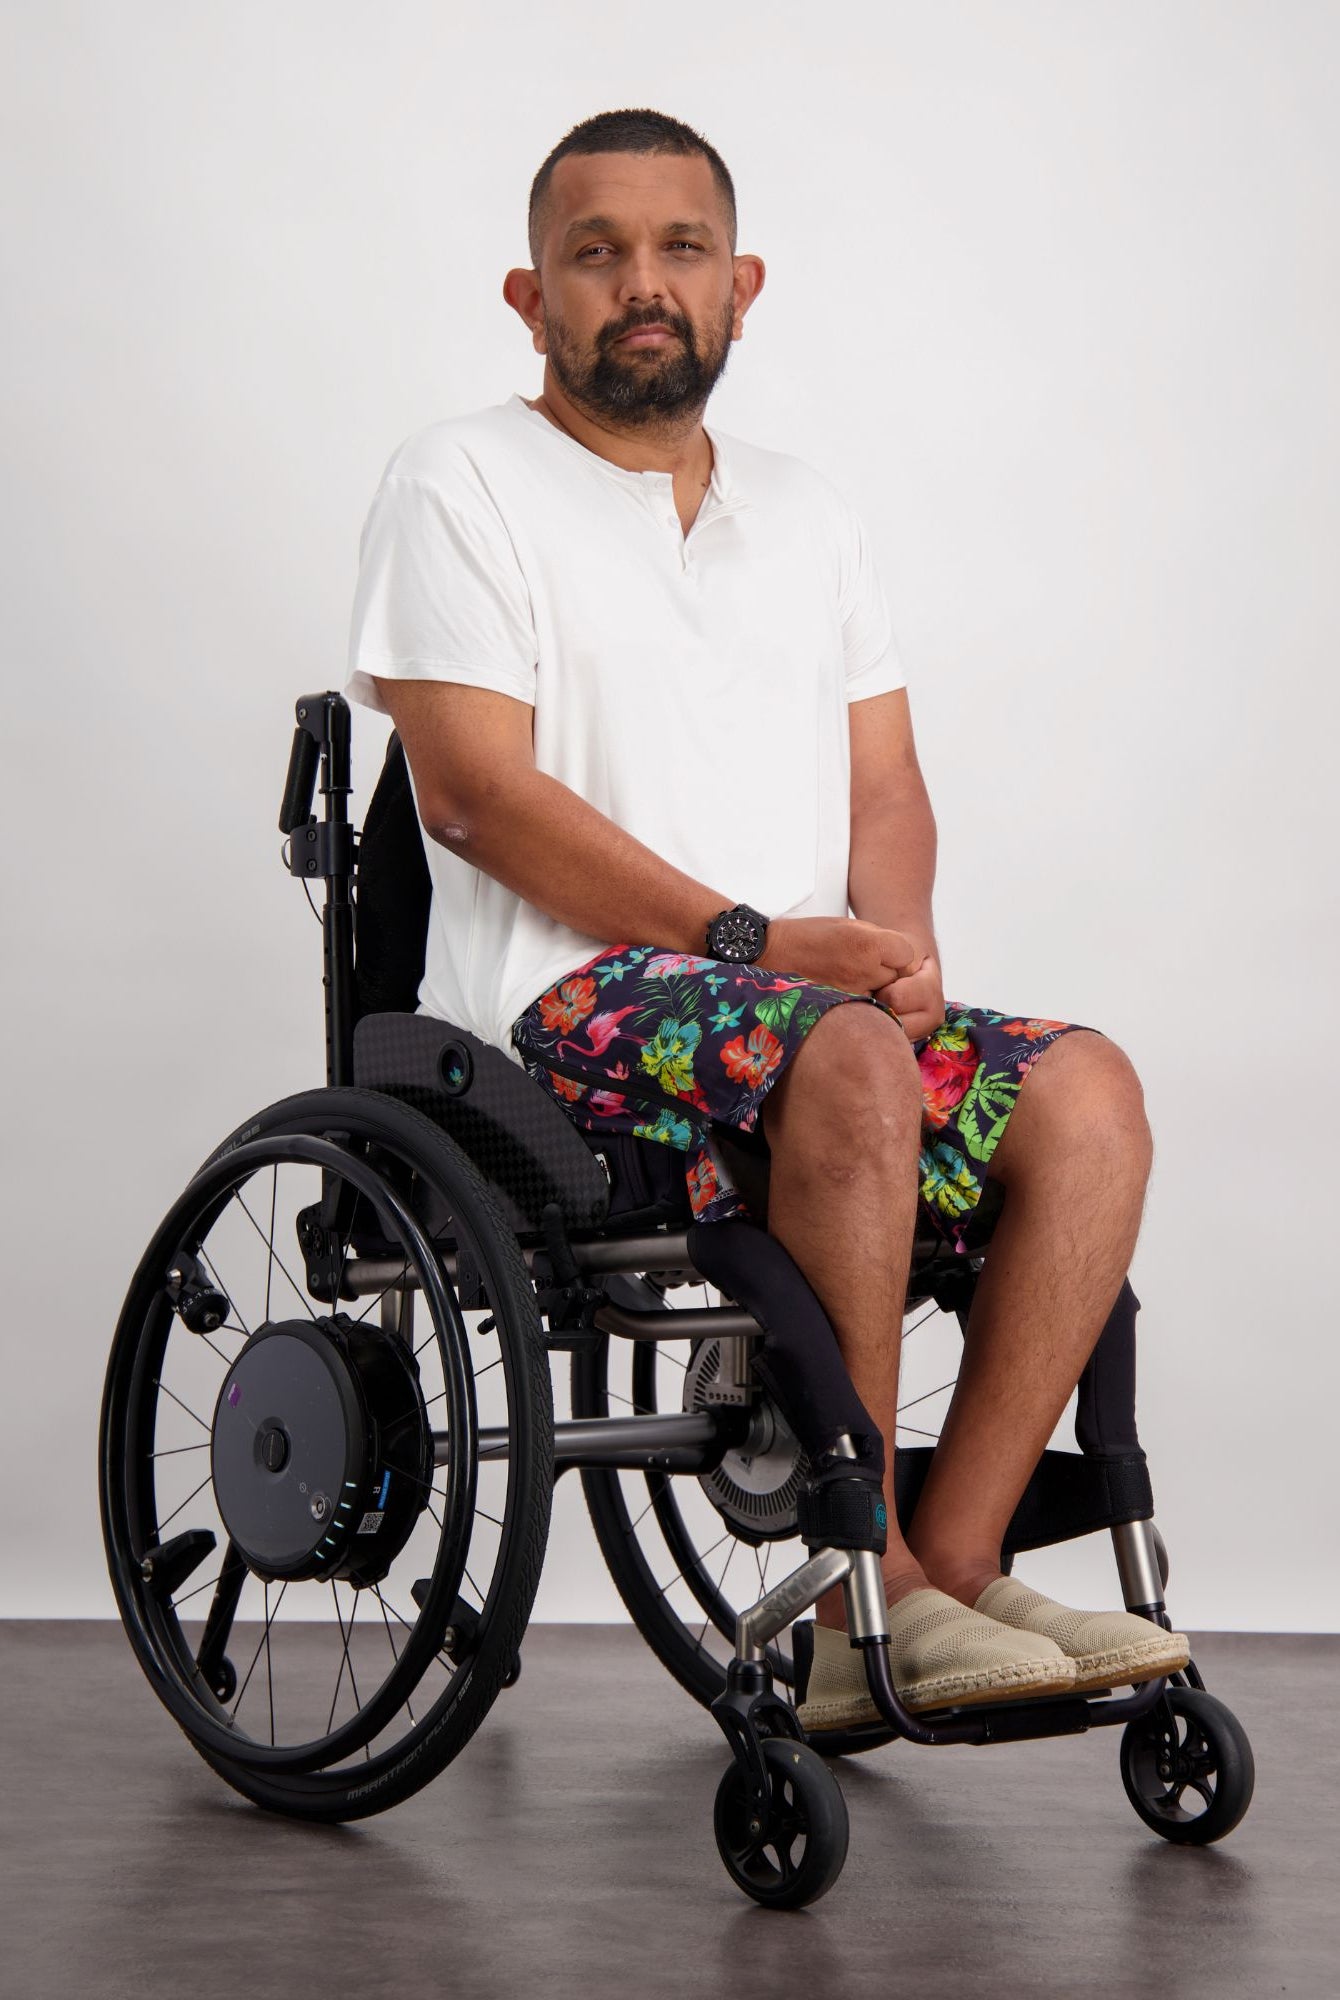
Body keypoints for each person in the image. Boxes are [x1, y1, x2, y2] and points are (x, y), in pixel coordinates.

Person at [345, 106, 1188, 1728]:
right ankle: (852, 1575)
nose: (640, 285)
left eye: (677, 252)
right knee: (851, 1065)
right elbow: (473, 797)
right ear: (532, 298)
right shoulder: (456, 481)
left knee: (1088, 1094)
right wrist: (756, 947)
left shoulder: (809, 512)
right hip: (561, 1016)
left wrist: (906, 942)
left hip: (804, 1023)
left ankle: (939, 1570)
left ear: (742, 285)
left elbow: (886, 784)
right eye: (596, 255)